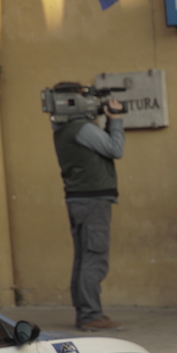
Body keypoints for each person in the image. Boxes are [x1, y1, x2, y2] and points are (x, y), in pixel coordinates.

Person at [50, 83, 125, 331]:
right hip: (93, 201)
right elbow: (115, 149)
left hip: (78, 199)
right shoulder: (81, 128)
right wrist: (116, 120)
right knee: (95, 257)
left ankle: (85, 312)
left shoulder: (63, 129)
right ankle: (91, 315)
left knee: (83, 258)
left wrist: (106, 120)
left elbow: (101, 147)